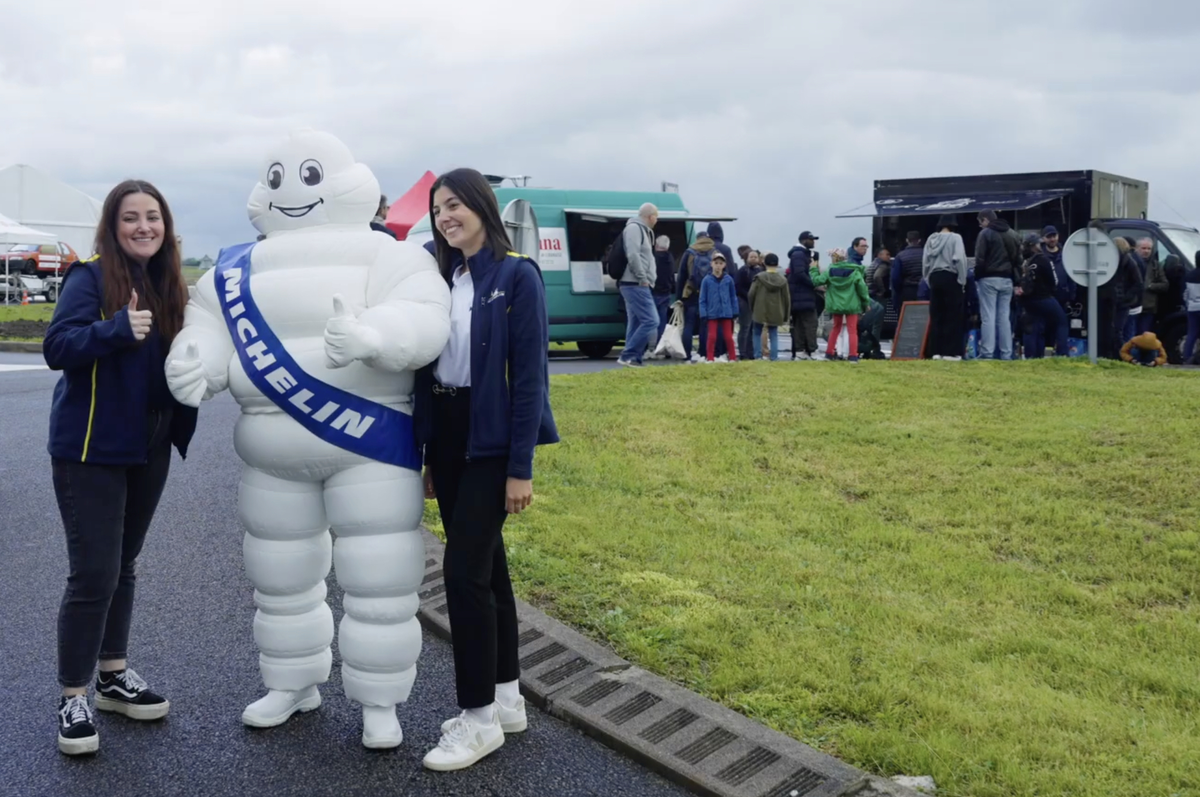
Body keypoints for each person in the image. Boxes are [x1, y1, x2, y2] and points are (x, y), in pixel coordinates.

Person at [43, 179, 196, 756]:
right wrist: (113, 330)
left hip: (148, 447)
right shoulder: (90, 276)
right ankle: (73, 694)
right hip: (89, 452)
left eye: (152, 217)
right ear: (113, 225)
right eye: (130, 218)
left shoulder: (169, 281)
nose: (143, 227)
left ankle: (112, 675)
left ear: (165, 223)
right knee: (94, 574)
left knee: (123, 565)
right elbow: (58, 346)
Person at [417, 168, 558, 771]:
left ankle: (476, 721)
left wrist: (520, 468)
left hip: (491, 436)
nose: (447, 217)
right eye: (438, 209)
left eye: (456, 206)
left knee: (462, 574)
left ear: (481, 206)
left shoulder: (516, 274)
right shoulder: (437, 273)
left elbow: (529, 381)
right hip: (446, 434)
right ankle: (505, 699)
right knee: (488, 569)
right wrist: (426, 453)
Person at [973, 210, 1022, 360]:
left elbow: (980, 258)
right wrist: (1017, 281)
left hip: (988, 279)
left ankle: (987, 352)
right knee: (1004, 318)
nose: (980, 225)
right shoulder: (1013, 234)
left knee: (988, 316)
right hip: (1007, 280)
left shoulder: (985, 234)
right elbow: (1018, 261)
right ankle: (1006, 353)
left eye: (981, 222)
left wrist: (977, 275)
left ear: (986, 220)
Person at [616, 203, 659, 368]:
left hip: (635, 283)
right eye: (657, 216)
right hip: (635, 283)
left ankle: (633, 359)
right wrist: (643, 278)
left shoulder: (640, 230)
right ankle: (628, 355)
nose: (657, 220)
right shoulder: (635, 229)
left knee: (635, 322)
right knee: (651, 320)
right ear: (650, 216)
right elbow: (633, 254)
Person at [812, 248, 869, 363]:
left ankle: (829, 353)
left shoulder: (830, 271)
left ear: (834, 258)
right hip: (852, 304)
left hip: (836, 305)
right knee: (852, 331)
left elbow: (817, 281)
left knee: (835, 329)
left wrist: (813, 269)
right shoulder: (855, 271)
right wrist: (865, 303)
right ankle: (853, 356)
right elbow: (862, 289)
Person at [923, 215, 968, 360]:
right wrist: (962, 280)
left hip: (935, 277)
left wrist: (929, 279)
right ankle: (951, 352)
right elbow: (960, 259)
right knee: (953, 315)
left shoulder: (931, 239)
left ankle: (935, 351)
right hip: (951, 276)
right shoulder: (956, 238)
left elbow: (925, 262)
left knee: (936, 315)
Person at [1017, 233, 1069, 357]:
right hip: (1044, 297)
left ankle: (1031, 356)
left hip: (1027, 299)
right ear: (1034, 246)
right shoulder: (1043, 259)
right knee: (1062, 321)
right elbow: (1054, 281)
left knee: (1032, 327)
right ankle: (1062, 353)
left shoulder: (1024, 261)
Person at [676, 231, 717, 361]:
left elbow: (682, 276)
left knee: (689, 324)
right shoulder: (715, 252)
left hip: (691, 292)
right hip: (710, 294)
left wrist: (679, 297)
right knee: (705, 324)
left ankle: (686, 354)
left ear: (697, 239)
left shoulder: (689, 252)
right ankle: (703, 353)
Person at [749, 253, 790, 361]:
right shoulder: (783, 280)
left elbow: (751, 294)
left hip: (759, 309)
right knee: (774, 334)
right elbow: (787, 298)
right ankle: (774, 357)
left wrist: (752, 307)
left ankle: (757, 356)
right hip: (776, 310)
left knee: (757, 332)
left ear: (764, 263)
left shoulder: (759, 278)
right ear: (777, 264)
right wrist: (785, 314)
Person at [698, 252, 738, 362]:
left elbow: (733, 296)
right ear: (711, 264)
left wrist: (735, 311)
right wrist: (703, 313)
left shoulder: (728, 279)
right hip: (712, 312)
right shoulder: (706, 280)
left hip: (726, 312)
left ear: (724, 265)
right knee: (711, 337)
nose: (718, 265)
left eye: (720, 263)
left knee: (728, 337)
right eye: (716, 263)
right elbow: (702, 299)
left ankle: (733, 357)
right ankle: (710, 358)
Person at [734, 249, 763, 359]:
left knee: (753, 328)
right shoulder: (742, 271)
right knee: (745, 328)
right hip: (744, 301)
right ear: (747, 258)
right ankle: (742, 352)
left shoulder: (760, 271)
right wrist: (749, 296)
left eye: (755, 257)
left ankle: (751, 352)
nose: (753, 259)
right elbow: (738, 287)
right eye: (751, 257)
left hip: (756, 303)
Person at [1136, 237, 1169, 334]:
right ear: (1137, 248)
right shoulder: (1131, 262)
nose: (1146, 251)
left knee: (1144, 335)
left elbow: (1165, 284)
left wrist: (1150, 286)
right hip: (1132, 306)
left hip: (1148, 307)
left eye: (1149, 249)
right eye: (1143, 248)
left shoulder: (1156, 265)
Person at [651, 235, 676, 350]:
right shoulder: (670, 258)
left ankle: (649, 346)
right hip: (666, 293)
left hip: (652, 292)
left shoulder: (652, 258)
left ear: (656, 245)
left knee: (650, 320)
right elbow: (672, 276)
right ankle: (660, 346)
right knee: (662, 321)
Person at [890, 231, 924, 314]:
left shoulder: (900, 256)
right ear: (919, 240)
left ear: (907, 240)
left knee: (907, 316)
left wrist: (898, 292)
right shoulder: (926, 254)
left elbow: (895, 278)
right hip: (924, 290)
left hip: (907, 291)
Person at [1184, 251, 1200, 364]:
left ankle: (1187, 357)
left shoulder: (1189, 275)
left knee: (1191, 334)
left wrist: (1188, 303)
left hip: (1192, 307)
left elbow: (1185, 293)